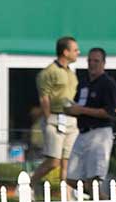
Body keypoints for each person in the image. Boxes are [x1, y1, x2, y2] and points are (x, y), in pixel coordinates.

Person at [65, 47, 116, 195]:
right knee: (71, 178)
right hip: (83, 132)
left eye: (96, 61)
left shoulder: (108, 83)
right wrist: (70, 110)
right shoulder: (84, 83)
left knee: (94, 179)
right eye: (89, 60)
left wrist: (82, 110)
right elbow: (79, 105)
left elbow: (109, 113)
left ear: (103, 63)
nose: (92, 64)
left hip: (100, 133)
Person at [30, 35, 80, 190]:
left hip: (71, 120)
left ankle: (67, 197)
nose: (78, 52)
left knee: (68, 161)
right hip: (55, 119)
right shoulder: (48, 72)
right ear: (65, 52)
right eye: (75, 50)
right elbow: (44, 98)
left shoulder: (71, 72)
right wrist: (48, 119)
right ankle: (28, 185)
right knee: (54, 161)